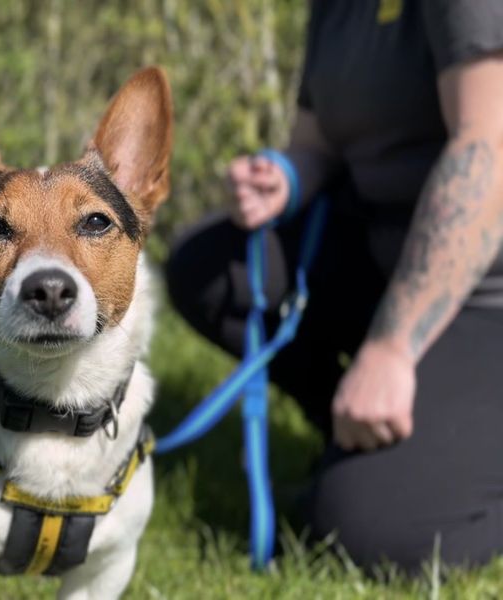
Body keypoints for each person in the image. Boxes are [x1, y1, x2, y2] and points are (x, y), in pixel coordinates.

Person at [166, 0, 503, 572]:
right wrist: (287, 179)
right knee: (209, 268)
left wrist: (391, 347)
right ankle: (360, 437)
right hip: (379, 251)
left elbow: (488, 149)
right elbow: (318, 143)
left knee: (376, 531)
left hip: (487, 288)